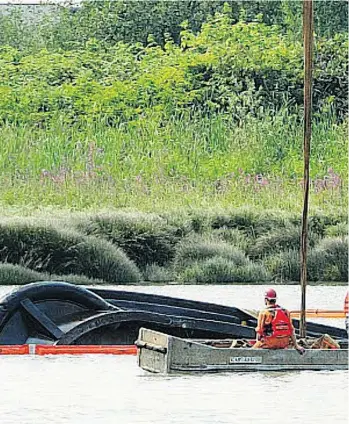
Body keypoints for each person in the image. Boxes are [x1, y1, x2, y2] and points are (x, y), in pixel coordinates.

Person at [252, 288, 305, 354]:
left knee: (251, 352)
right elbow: (291, 330)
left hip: (270, 343)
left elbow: (259, 332)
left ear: (266, 300)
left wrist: (258, 343)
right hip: (284, 343)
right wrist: (296, 346)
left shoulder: (264, 312)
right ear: (275, 300)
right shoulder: (285, 311)